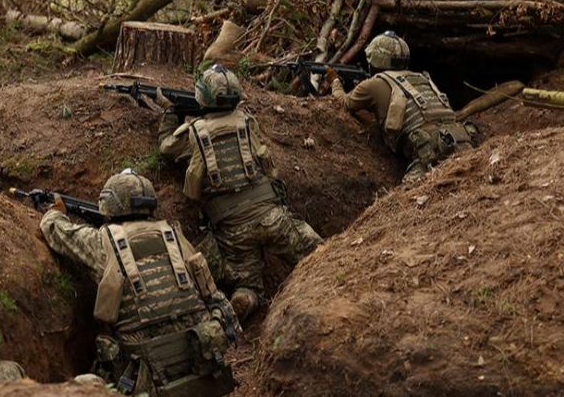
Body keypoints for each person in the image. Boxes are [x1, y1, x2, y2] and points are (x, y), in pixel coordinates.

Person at [39, 169, 240, 396]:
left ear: (110, 203)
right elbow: (213, 296)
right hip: (203, 370)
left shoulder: (103, 242)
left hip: (147, 381)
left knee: (85, 383)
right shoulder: (174, 236)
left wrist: (55, 211)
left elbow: (54, 229)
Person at [158, 65, 323, 322]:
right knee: (318, 253)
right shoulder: (247, 122)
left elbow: (167, 147)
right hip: (272, 217)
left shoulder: (193, 134)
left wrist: (171, 113)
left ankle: (246, 296)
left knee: (246, 282)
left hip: (233, 229)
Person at [328, 31, 476, 184]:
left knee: (409, 192)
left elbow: (345, 103)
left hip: (431, 152)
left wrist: (335, 82)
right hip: (462, 142)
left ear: (376, 58)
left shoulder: (373, 84)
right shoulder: (422, 78)